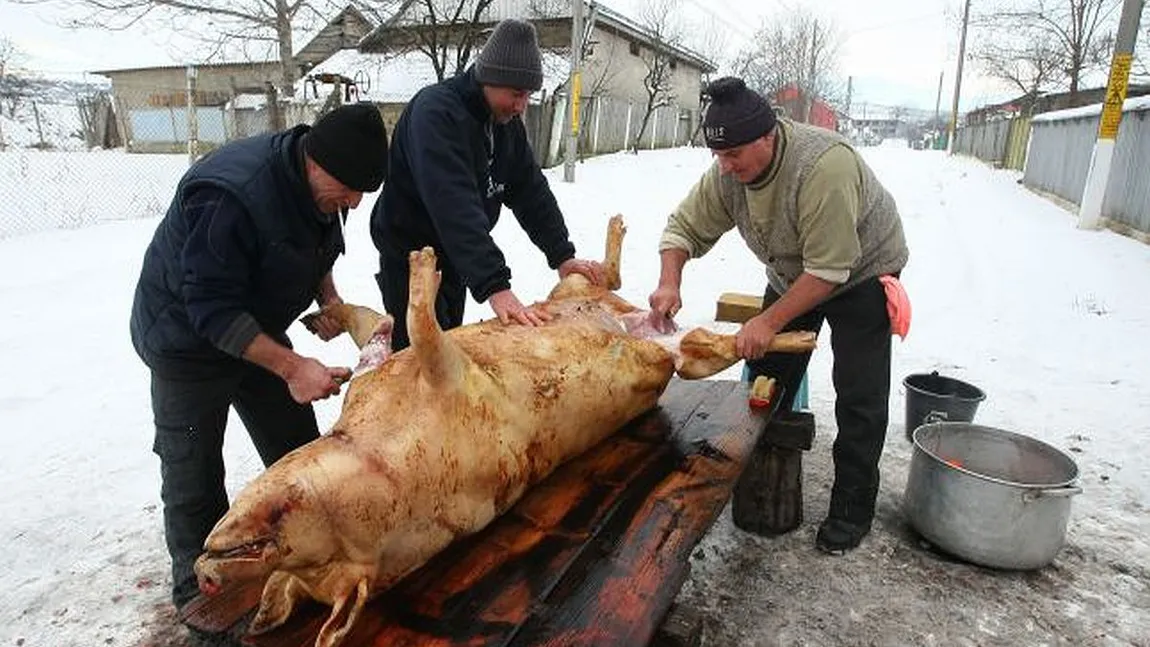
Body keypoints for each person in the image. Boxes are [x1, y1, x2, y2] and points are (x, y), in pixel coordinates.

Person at [129, 102, 389, 609]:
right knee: (194, 476)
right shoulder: (230, 196)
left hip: (256, 328)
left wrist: (330, 301)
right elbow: (210, 309)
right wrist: (292, 368)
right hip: (186, 341)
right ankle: (201, 599)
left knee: (297, 448)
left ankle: (309, 554)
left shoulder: (322, 186)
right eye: (351, 190)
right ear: (317, 163)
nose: (355, 204)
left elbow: (318, 248)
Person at [648, 77, 909, 554]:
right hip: (793, 271)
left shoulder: (822, 167)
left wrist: (767, 322)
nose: (724, 168)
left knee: (860, 395)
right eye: (718, 157)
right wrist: (670, 280)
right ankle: (759, 479)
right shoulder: (730, 168)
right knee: (764, 383)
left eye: (733, 157)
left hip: (860, 274)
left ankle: (852, 508)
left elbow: (830, 270)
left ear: (768, 136)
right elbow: (683, 226)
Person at [370, 18, 605, 349]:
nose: (522, 106)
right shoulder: (436, 114)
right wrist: (495, 285)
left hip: (455, 256)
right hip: (410, 258)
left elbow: (530, 191)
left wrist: (562, 255)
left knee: (452, 346)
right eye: (517, 94)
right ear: (489, 79)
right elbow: (454, 206)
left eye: (528, 96)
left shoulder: (505, 124)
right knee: (420, 359)